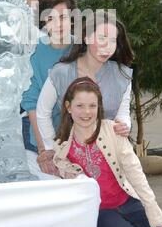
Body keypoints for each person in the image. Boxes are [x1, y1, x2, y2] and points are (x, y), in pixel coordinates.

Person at [53, 77, 162, 227]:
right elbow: (61, 167)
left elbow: (136, 174)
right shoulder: (62, 144)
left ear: (99, 107)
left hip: (128, 200)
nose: (87, 112)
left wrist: (155, 214)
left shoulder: (112, 131)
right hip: (100, 211)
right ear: (68, 107)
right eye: (80, 106)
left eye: (92, 106)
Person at [36, 12, 134, 172]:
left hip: (110, 155)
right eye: (101, 38)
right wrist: (52, 147)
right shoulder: (61, 72)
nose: (107, 46)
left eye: (112, 40)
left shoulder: (122, 75)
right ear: (87, 38)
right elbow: (42, 112)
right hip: (70, 156)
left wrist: (124, 125)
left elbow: (123, 113)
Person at [21, 0, 77, 173]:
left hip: (77, 136)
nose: (59, 24)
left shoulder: (83, 49)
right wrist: (44, 148)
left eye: (63, 17)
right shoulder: (34, 53)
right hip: (43, 135)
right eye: (51, 18)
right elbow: (31, 104)